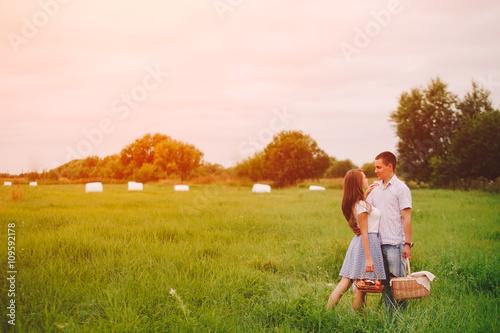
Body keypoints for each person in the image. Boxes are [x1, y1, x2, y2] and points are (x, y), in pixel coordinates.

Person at [327, 169, 386, 312]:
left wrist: (366, 195)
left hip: (359, 243)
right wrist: (368, 259)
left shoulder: (359, 203)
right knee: (359, 286)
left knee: (346, 282)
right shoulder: (361, 205)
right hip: (366, 244)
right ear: (358, 183)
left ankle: (327, 312)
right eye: (365, 178)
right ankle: (359, 321)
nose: (367, 180)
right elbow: (365, 232)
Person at [366, 151, 412, 310]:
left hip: (395, 245)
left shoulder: (401, 188)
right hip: (378, 244)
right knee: (385, 283)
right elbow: (365, 210)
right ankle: (387, 314)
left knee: (398, 283)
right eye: (375, 167)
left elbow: (406, 218)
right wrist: (366, 193)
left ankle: (401, 318)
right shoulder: (375, 188)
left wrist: (408, 244)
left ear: (389, 167)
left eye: (378, 167)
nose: (376, 171)